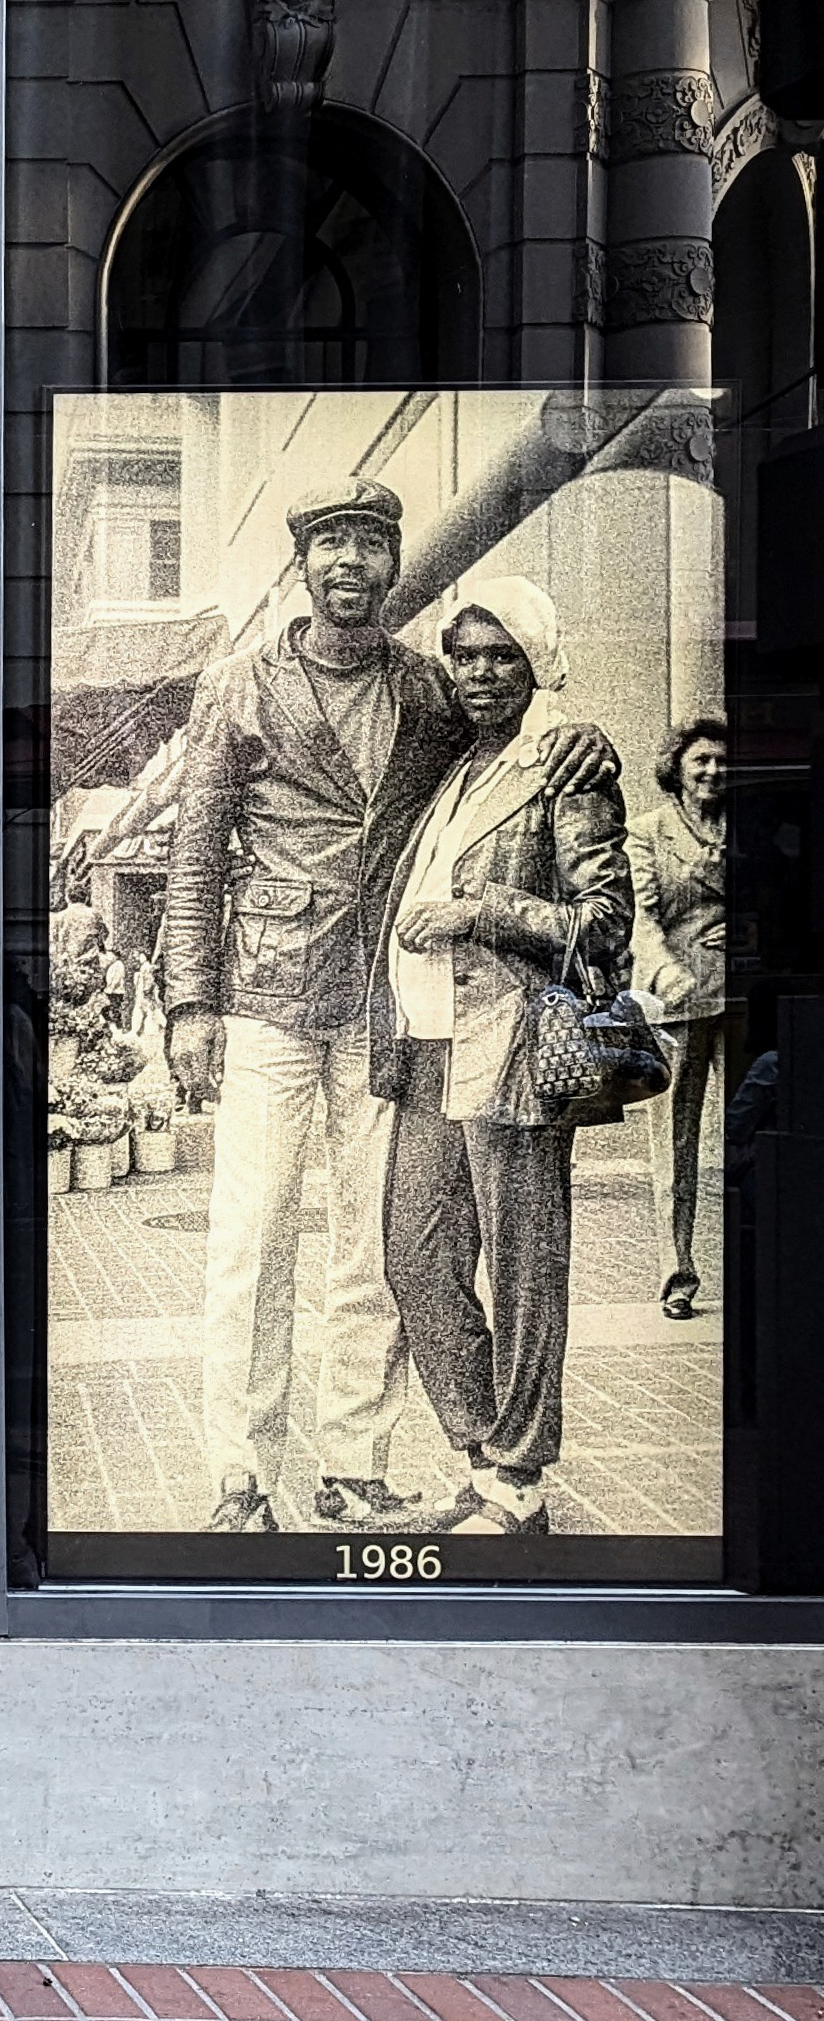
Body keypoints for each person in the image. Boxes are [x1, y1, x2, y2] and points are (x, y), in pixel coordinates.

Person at [161, 480, 615, 1532]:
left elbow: (523, 723)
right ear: (303, 563)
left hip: (385, 1006)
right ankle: (239, 1475)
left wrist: (584, 728)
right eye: (331, 543)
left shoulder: (428, 686)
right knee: (249, 1240)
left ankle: (352, 1463)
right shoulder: (236, 684)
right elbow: (191, 861)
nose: (350, 561)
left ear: (392, 562)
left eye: (370, 541)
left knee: (369, 1244)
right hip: (269, 997)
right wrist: (191, 1004)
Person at [371, 580, 629, 1537]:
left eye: (500, 656)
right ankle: (483, 1461)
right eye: (465, 656)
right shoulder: (458, 765)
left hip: (513, 1051)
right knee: (416, 1261)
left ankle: (518, 1482)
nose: (479, 673)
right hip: (428, 1051)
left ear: (536, 663)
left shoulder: (564, 769)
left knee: (524, 1275)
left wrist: (479, 911)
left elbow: (602, 929)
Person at [626, 716, 734, 1322]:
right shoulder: (647, 832)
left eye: (723, 760)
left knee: (758, 1136)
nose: (714, 771)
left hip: (746, 1002)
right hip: (679, 1004)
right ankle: (678, 1276)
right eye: (702, 761)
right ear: (679, 768)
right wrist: (669, 975)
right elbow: (642, 918)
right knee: (675, 1146)